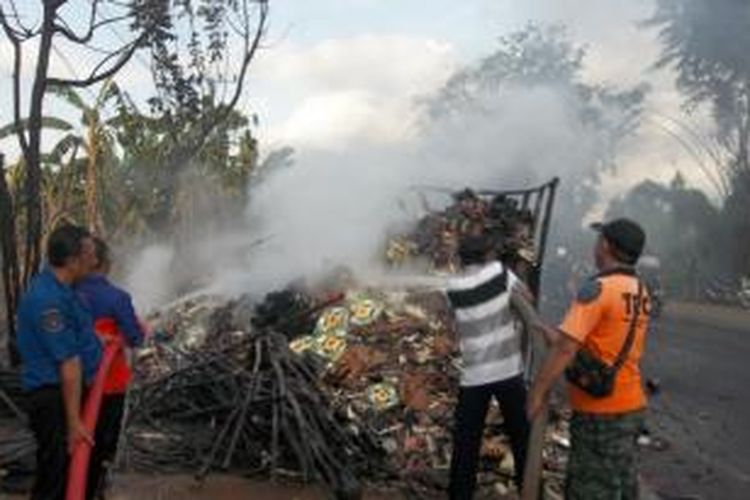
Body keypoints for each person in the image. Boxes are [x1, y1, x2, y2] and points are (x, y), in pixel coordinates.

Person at [527, 218, 650, 500]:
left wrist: (536, 393)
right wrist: (553, 335)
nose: (595, 247)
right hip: (631, 406)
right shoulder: (640, 290)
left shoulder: (598, 289)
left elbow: (566, 351)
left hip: (600, 413)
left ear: (605, 245)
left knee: (588, 490)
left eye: (599, 240)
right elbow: (605, 340)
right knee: (621, 485)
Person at [444, 235, 549, 499]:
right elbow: (527, 297)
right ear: (486, 256)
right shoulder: (499, 272)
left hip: (474, 377)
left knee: (466, 445)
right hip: (507, 372)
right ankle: (531, 492)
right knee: (521, 437)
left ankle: (460, 495)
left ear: (461, 259)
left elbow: (452, 315)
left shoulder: (452, 286)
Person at [17, 224, 102, 500]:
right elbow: (69, 365)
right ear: (71, 260)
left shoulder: (65, 288)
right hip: (54, 397)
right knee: (55, 471)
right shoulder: (47, 300)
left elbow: (76, 330)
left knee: (72, 466)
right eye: (89, 254)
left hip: (67, 394)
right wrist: (75, 421)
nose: (95, 260)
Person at [76, 237, 146, 499]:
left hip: (70, 381)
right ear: (104, 263)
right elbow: (135, 338)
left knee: (75, 441)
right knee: (102, 444)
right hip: (110, 384)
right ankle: (94, 490)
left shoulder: (66, 294)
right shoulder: (117, 297)